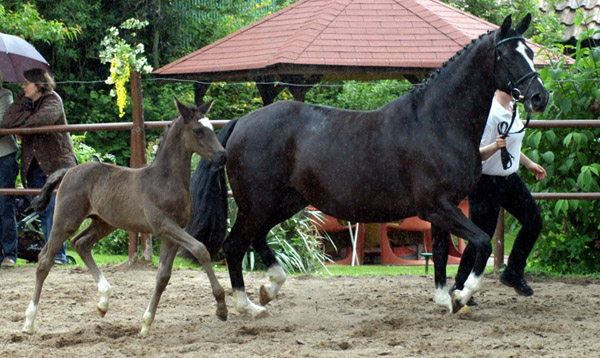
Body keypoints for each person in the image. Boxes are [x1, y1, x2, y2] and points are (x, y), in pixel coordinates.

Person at [453, 89, 547, 304]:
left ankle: (513, 271)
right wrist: (495, 146)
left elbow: (511, 143)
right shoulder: (489, 112)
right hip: (486, 182)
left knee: (533, 220)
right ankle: (459, 286)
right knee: (481, 238)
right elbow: (474, 153)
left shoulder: (512, 108)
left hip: (509, 178)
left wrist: (528, 163)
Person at [3, 68, 77, 265]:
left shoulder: (53, 99)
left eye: (27, 82)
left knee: (54, 208)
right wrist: (24, 117)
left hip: (56, 163)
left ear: (38, 84)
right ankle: (53, 254)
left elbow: (42, 120)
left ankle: (57, 255)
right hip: (34, 166)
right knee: (45, 209)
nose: (23, 86)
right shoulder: (23, 101)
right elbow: (8, 121)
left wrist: (22, 123)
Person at [0, 71, 18, 268]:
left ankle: (10, 252)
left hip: (3, 156)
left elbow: (2, 122)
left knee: (5, 204)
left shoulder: (4, 95)